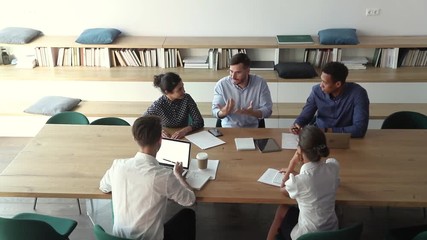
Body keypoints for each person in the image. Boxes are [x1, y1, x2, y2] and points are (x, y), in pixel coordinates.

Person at [99, 115, 196, 240]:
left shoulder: (118, 165)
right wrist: (178, 176)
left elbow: (104, 186)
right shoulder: (164, 176)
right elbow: (190, 200)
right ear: (160, 141)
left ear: (135, 138)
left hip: (119, 238)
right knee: (188, 215)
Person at [267, 125, 340, 240]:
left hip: (307, 236)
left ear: (299, 150)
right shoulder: (333, 167)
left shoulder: (298, 182)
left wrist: (291, 165)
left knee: (282, 209)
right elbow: (315, 177)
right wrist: (297, 174)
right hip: (332, 232)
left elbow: (282, 189)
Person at [291, 61, 369, 138]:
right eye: (321, 80)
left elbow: (360, 129)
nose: (321, 85)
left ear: (338, 84)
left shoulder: (358, 94)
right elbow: (305, 116)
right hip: (319, 136)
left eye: (325, 82)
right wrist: (297, 124)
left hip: (346, 138)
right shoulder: (316, 90)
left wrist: (327, 130)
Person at [212, 53, 273, 128]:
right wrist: (222, 113)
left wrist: (253, 113)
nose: (233, 76)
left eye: (238, 72)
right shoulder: (221, 85)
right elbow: (215, 111)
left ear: (248, 71)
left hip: (252, 129)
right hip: (229, 128)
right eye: (231, 71)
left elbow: (268, 111)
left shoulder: (260, 83)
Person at [144, 72, 204, 139]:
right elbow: (142, 123)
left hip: (185, 137)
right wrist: (159, 131)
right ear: (167, 92)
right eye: (179, 89)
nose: (184, 91)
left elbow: (199, 122)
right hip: (167, 138)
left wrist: (185, 130)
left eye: (183, 86)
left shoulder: (187, 98)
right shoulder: (158, 105)